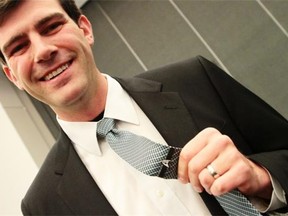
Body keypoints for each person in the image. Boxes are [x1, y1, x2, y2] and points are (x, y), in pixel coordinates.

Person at [0, 0, 287, 215]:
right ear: (13, 76)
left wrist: (261, 177)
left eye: (51, 27)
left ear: (85, 29)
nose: (42, 51)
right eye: (18, 47)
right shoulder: (41, 205)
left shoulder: (196, 79)